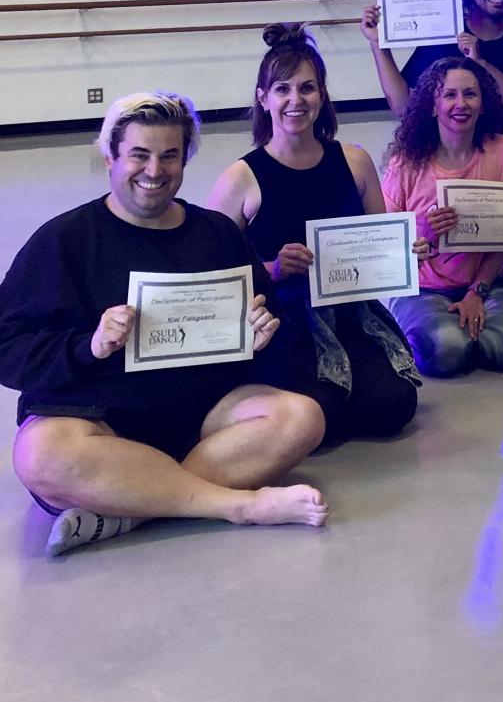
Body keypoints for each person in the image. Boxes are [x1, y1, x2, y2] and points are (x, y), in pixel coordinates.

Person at [0, 93, 328, 556]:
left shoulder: (217, 233)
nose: (154, 171)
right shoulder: (64, 239)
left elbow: (269, 320)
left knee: (301, 418)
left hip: (204, 418)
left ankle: (129, 507)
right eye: (139, 155)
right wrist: (87, 347)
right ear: (110, 156)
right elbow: (8, 346)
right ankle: (236, 505)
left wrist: (261, 339)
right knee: (39, 454)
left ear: (184, 159)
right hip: (101, 421)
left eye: (169, 156)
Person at [208, 24, 420, 443]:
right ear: (263, 98)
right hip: (282, 319)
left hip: (349, 309)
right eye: (282, 89)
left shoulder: (354, 160)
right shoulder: (241, 176)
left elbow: (379, 241)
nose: (295, 100)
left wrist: (406, 251)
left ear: (322, 96)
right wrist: (272, 267)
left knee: (394, 406)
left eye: (307, 88)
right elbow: (214, 270)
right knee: (319, 416)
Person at [361, 0, 503, 301]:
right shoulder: (440, 36)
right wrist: (377, 45)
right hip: (447, 179)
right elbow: (403, 106)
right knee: (444, 292)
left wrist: (478, 61)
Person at [382, 58, 503, 377]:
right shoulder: (404, 163)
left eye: (470, 94)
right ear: (433, 106)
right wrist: (423, 235)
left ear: (483, 104)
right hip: (422, 287)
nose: (460, 104)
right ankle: (431, 328)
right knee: (447, 351)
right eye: (449, 95)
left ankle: (467, 327)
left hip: (486, 282)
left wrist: (477, 292)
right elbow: (390, 253)